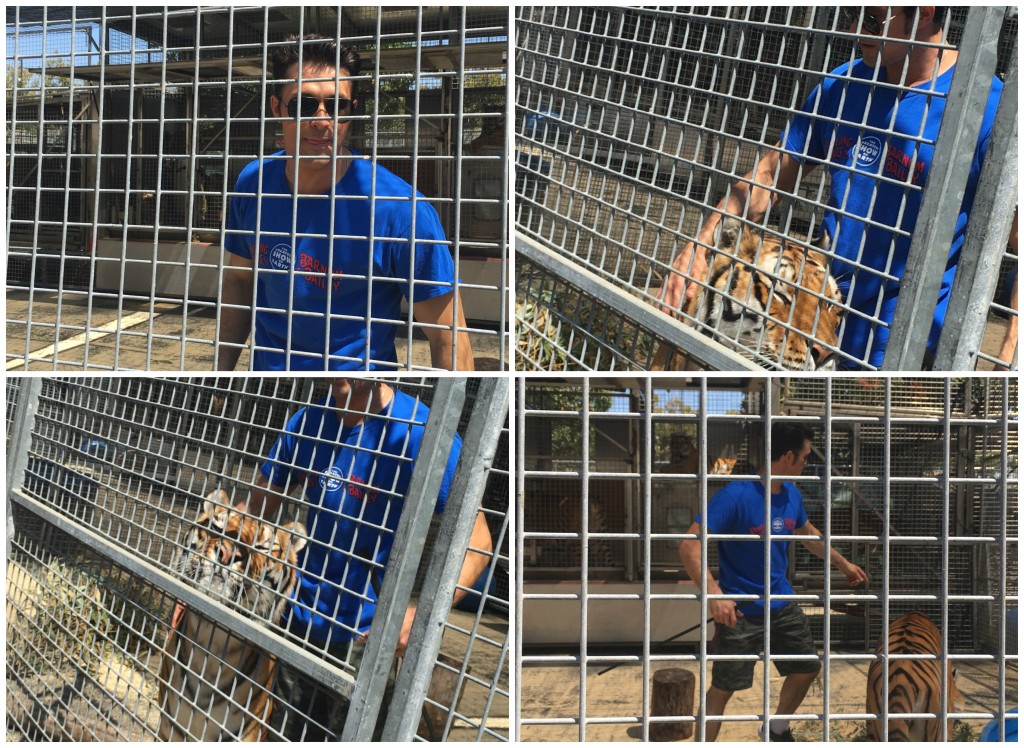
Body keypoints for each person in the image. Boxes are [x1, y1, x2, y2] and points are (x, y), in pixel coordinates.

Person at [660, 7, 1016, 369]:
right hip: (821, 317)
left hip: (907, 343)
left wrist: (1012, 347)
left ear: (923, 12)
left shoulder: (988, 109)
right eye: (851, 13)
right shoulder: (843, 85)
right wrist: (699, 248)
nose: (854, 28)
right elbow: (768, 175)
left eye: (871, 19)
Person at [244, 378, 493, 740]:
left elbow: (480, 540)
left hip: (367, 643)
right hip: (297, 626)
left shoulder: (419, 432)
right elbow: (253, 510)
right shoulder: (308, 422)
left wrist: (423, 613)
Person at [218, 33, 474, 371]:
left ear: (351, 113)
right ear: (276, 107)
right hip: (271, 381)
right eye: (303, 104)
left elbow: (450, 339)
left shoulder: (399, 210)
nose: (322, 121)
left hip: (359, 389)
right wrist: (221, 373)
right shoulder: (253, 182)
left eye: (335, 105)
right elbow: (240, 280)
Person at [678, 422, 868, 741]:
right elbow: (689, 544)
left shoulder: (791, 494)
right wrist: (716, 595)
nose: (808, 464)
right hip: (740, 612)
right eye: (806, 457)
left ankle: (777, 728)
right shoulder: (737, 495)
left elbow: (809, 535)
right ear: (789, 456)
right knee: (723, 690)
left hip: (782, 604)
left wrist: (843, 563)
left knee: (808, 667)